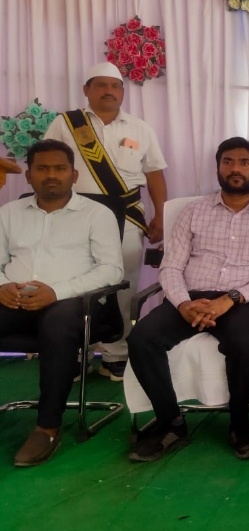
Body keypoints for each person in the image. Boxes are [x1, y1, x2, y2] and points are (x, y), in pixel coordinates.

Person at [127, 138, 249, 463]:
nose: (235, 169)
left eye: (244, 162)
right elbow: (171, 266)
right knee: (141, 339)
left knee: (242, 344)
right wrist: (182, 303)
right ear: (218, 167)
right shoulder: (194, 211)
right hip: (189, 298)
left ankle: (240, 426)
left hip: (240, 301)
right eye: (228, 161)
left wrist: (231, 299)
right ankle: (171, 423)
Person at [0, 140, 123, 466]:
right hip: (15, 299)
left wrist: (56, 291)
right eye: (42, 168)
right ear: (29, 176)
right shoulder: (8, 213)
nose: (51, 175)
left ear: (74, 174)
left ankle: (47, 427)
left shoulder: (97, 214)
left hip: (74, 303)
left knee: (58, 323)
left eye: (59, 168)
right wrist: (2, 286)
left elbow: (111, 269)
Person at [43, 61, 167, 382]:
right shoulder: (65, 124)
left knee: (122, 284)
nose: (108, 91)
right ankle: (75, 353)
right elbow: (48, 163)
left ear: (122, 92)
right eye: (100, 85)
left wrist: (161, 214)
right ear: (86, 90)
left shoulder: (140, 129)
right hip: (74, 214)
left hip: (126, 215)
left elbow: (154, 174)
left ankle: (116, 354)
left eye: (115, 86)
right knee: (71, 282)